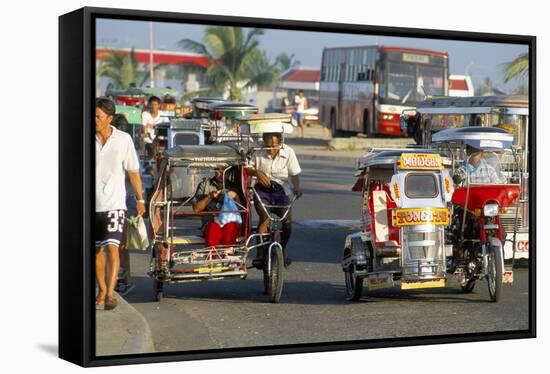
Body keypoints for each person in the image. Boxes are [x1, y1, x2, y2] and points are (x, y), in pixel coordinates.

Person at [96, 97, 145, 310]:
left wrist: (141, 199)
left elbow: (133, 171)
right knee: (96, 252)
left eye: (98, 116)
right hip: (93, 205)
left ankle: (109, 293)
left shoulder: (124, 140)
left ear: (109, 118)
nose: (94, 120)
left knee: (113, 249)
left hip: (115, 203)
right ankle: (102, 290)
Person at [248, 132, 303, 267]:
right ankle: (260, 253)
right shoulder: (257, 152)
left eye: (274, 146)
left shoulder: (289, 152)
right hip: (262, 190)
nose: (271, 149)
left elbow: (295, 173)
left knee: (287, 222)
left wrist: (297, 188)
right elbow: (248, 168)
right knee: (264, 218)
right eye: (268, 146)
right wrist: (256, 173)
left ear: (280, 143)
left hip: (281, 190)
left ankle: (282, 249)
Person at [193, 168, 243, 257]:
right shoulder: (205, 185)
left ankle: (227, 255)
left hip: (229, 222)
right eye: (218, 170)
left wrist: (236, 197)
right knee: (213, 228)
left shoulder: (235, 187)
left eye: (225, 171)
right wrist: (209, 197)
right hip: (210, 223)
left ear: (229, 172)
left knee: (231, 226)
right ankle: (212, 257)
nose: (221, 174)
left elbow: (241, 211)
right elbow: (196, 208)